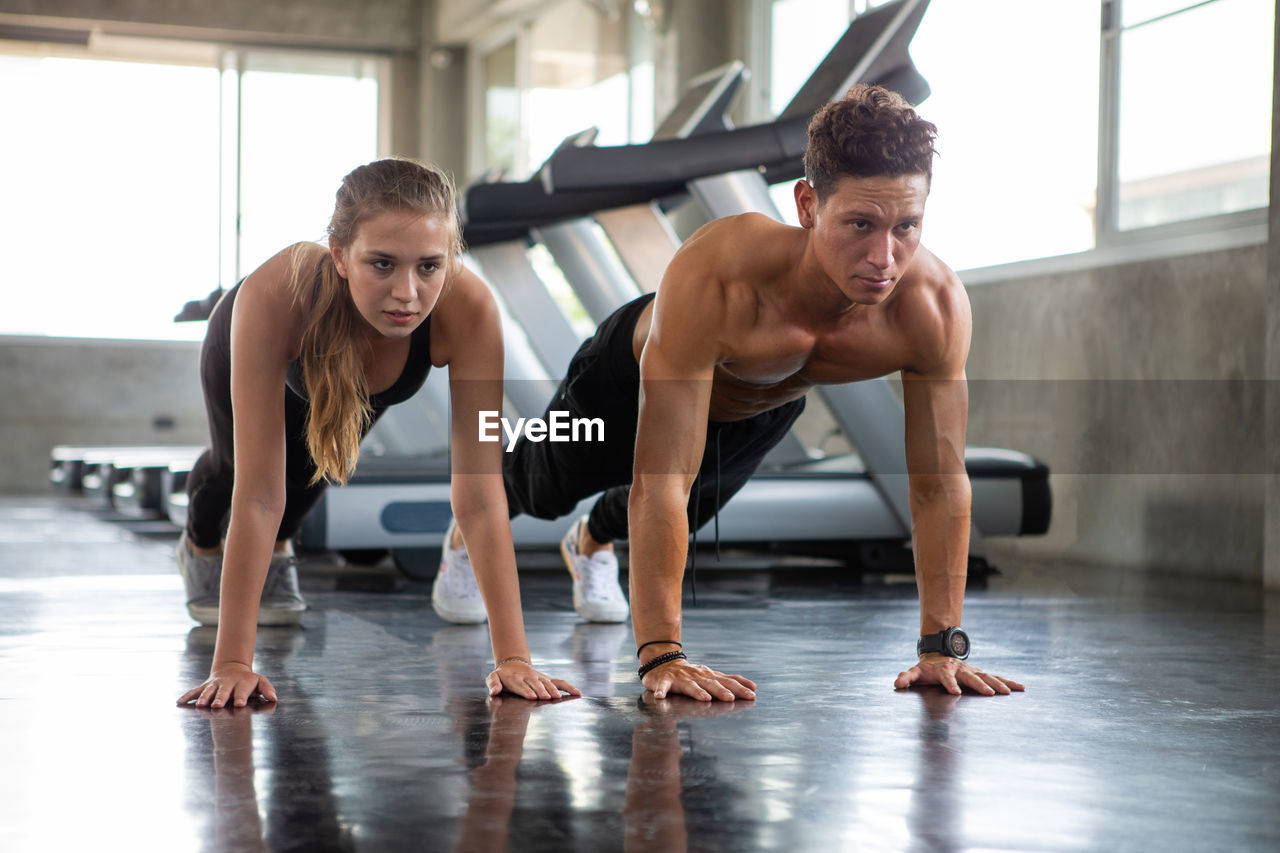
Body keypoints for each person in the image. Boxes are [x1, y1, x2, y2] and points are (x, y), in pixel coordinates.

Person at [433, 84, 1025, 701]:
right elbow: (658, 480)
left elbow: (937, 482)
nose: (885, 256)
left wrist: (941, 646)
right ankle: (465, 532)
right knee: (544, 486)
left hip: (758, 406)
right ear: (807, 204)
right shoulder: (720, 274)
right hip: (624, 381)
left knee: (690, 511)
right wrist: (661, 656)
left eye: (907, 226)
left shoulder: (933, 307)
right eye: (859, 224)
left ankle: (589, 542)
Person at [176, 158, 580, 708]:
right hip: (246, 338)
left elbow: (482, 494)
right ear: (340, 255)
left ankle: (278, 550)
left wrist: (513, 658)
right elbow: (257, 495)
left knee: (318, 466)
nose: (408, 293)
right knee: (234, 471)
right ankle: (199, 545)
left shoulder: (470, 309)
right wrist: (232, 664)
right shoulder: (276, 298)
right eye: (382, 264)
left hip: (355, 374)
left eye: (430, 267)